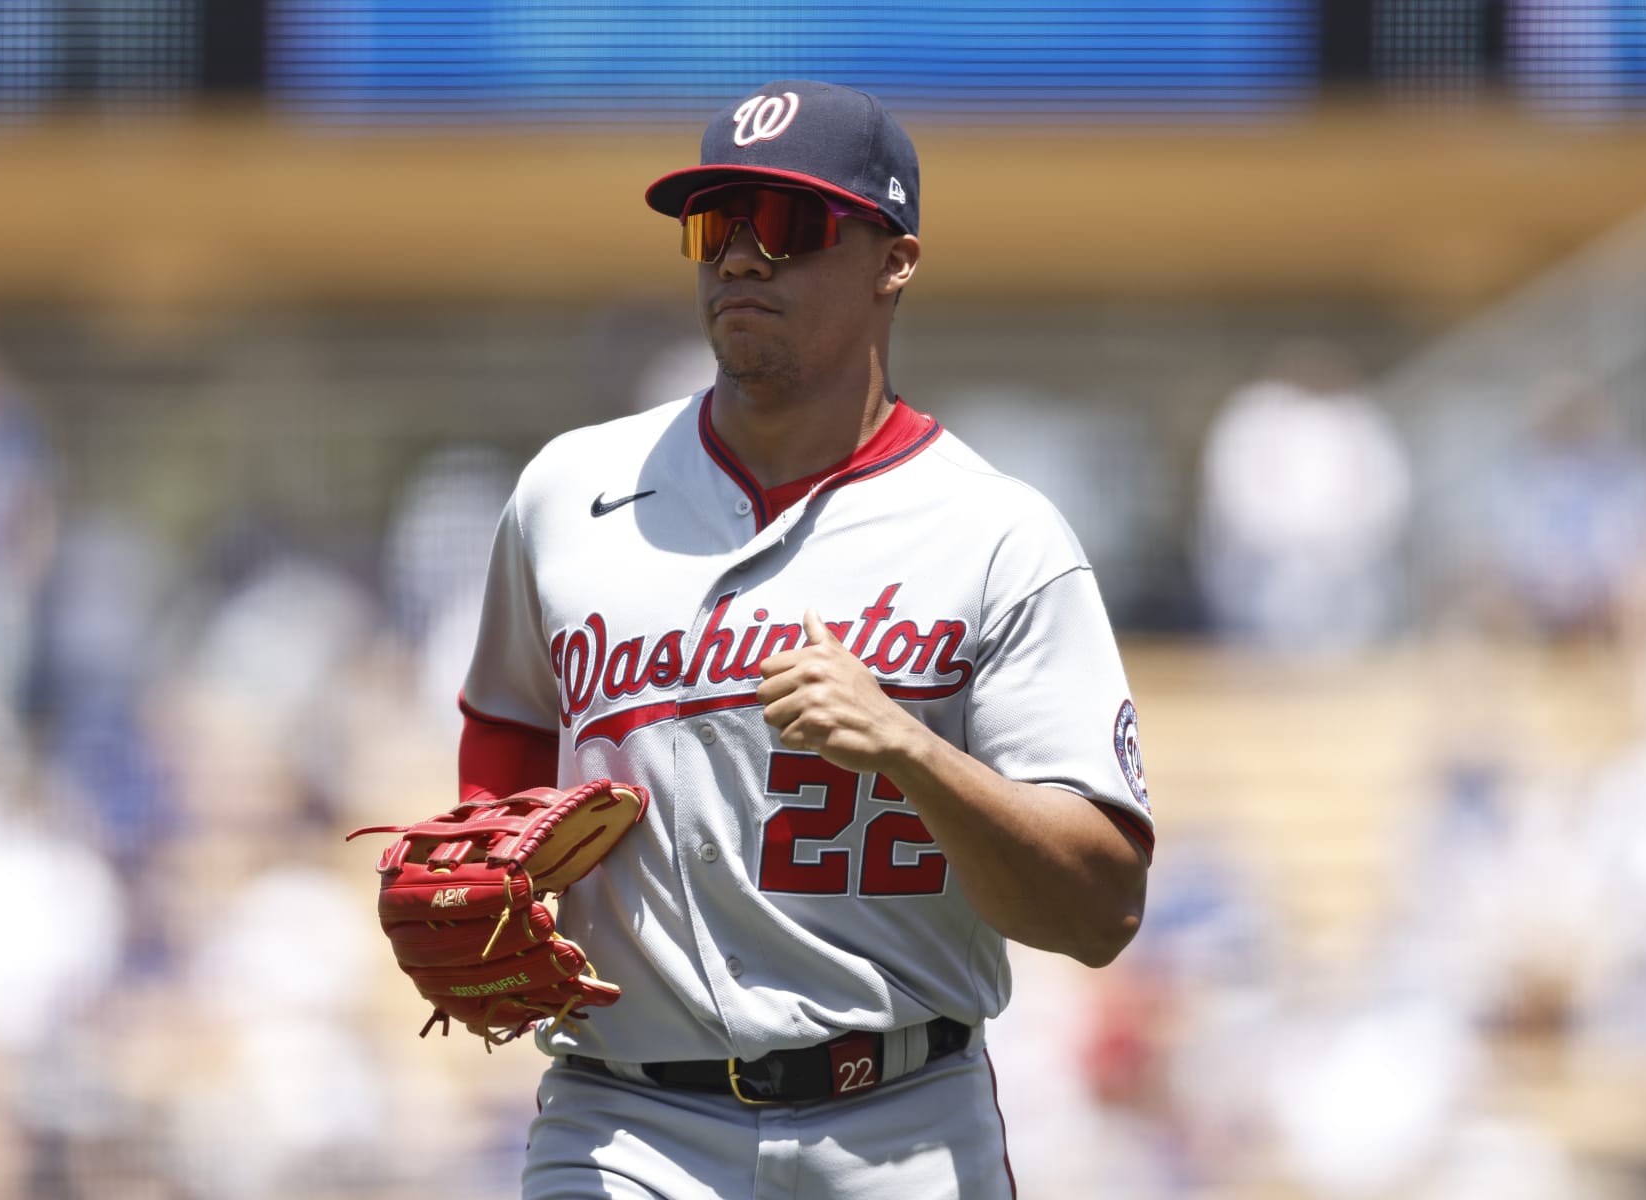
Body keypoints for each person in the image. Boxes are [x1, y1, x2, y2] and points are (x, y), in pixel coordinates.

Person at [456, 79, 1154, 1200]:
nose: (740, 257)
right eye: (714, 224)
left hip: (900, 1125)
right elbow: (505, 729)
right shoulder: (567, 494)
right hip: (621, 1117)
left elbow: (1100, 910)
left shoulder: (999, 536)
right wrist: (488, 878)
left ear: (896, 259)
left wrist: (913, 752)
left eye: (785, 225)